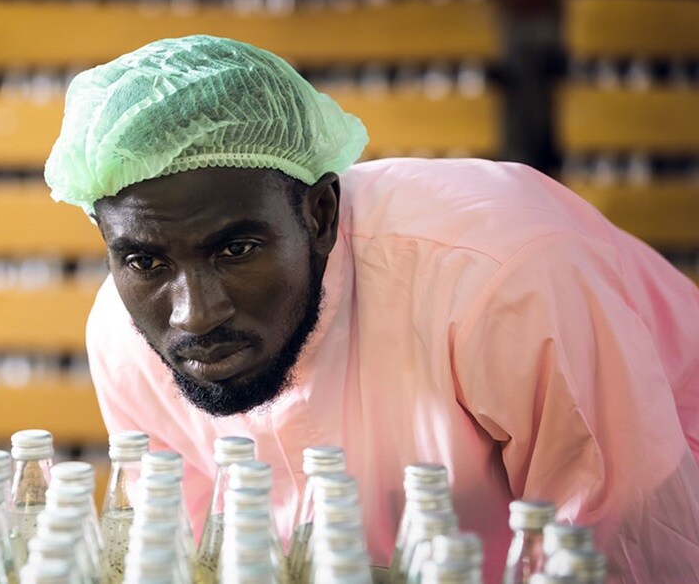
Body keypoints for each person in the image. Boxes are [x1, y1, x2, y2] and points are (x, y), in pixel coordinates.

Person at [43, 35, 699, 583]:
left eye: (237, 249)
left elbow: (629, 551)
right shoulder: (124, 338)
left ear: (320, 215)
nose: (194, 316)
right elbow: (192, 559)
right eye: (144, 261)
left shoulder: (498, 280)